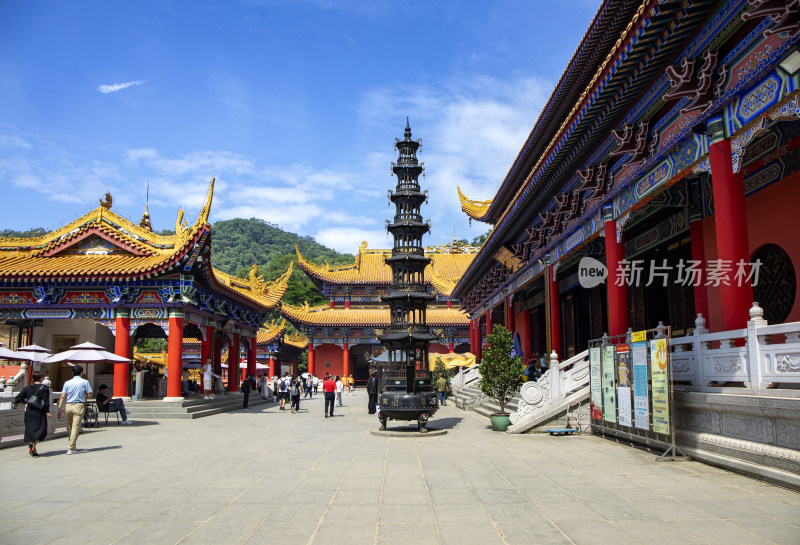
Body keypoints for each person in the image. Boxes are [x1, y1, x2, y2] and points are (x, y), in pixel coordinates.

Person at [56, 365, 92, 455]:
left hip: (68, 405)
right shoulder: (85, 382)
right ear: (81, 373)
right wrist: (84, 395)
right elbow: (90, 394)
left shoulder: (67, 383)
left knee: (70, 426)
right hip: (78, 405)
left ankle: (73, 445)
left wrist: (59, 408)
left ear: (72, 373)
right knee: (76, 427)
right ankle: (71, 448)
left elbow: (62, 396)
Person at [14, 371, 51, 457]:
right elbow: (46, 401)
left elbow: (17, 398)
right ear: (41, 378)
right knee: (42, 430)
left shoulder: (27, 388)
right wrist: (47, 411)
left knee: (30, 430)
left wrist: (26, 402)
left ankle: (32, 446)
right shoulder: (44, 387)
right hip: (39, 411)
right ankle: (34, 445)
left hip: (29, 411)